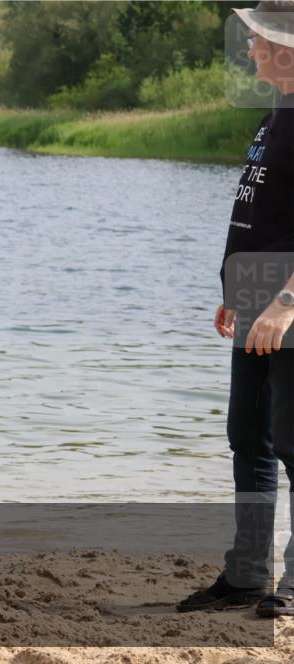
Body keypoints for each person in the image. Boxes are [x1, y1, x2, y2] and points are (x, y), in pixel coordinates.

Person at [177, 1, 294, 616]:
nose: (248, 51)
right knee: (248, 437)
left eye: (256, 41)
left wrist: (286, 303)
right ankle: (248, 575)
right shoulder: (276, 114)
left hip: (288, 309)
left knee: (293, 443)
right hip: (255, 300)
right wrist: (234, 292)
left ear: (285, 47)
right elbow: (262, 216)